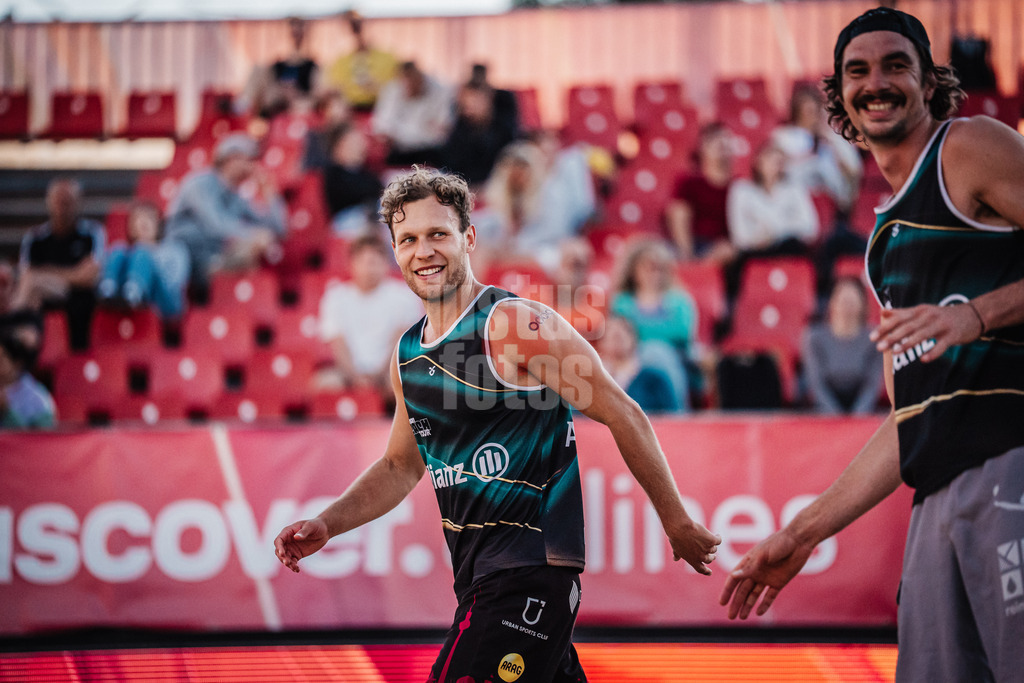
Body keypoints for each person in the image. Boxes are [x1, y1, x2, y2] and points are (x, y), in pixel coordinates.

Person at [276, 167, 720, 683]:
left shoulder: (513, 325)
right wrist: (329, 523)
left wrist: (676, 521)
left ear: (468, 238)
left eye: (438, 234)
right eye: (409, 239)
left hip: (528, 576)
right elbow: (400, 465)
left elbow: (623, 412)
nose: (424, 251)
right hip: (479, 580)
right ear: (395, 251)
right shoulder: (407, 355)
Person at [719, 9, 1024, 682]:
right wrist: (801, 533)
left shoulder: (969, 146)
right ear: (840, 97)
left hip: (1011, 466)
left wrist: (976, 316)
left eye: (895, 66)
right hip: (937, 499)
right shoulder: (883, 245)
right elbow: (904, 425)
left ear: (928, 83)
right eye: (857, 71)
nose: (876, 83)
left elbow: (969, 322)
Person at [164, 133, 286, 291]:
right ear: (231, 158)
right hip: (183, 259)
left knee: (254, 247)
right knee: (252, 243)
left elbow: (279, 230)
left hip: (214, 259)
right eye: (249, 160)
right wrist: (255, 235)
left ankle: (235, 305)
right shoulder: (199, 183)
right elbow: (215, 224)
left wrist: (269, 193)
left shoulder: (237, 196)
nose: (254, 167)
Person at [315, 233, 422, 402]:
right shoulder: (335, 297)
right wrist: (355, 376)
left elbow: (400, 343)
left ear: (386, 263)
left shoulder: (404, 296)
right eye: (363, 262)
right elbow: (338, 343)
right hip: (347, 372)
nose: (369, 268)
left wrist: (380, 374)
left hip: (389, 371)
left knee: (405, 383)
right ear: (352, 264)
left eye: (374, 262)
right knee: (325, 383)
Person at [11, 178, 105, 351]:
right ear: (49, 202)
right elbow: (26, 276)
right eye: (59, 201)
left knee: (32, 285)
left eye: (68, 201)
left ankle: (9, 330)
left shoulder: (92, 233)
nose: (63, 207)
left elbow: (90, 277)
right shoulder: (35, 238)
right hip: (43, 301)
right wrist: (73, 273)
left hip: (80, 303)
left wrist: (45, 272)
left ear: (79, 203)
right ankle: (18, 344)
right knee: (32, 294)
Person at [610, 238, 699, 409]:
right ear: (634, 271)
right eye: (649, 267)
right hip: (630, 361)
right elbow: (620, 335)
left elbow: (682, 332)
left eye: (660, 268)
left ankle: (675, 412)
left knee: (656, 352)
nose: (654, 274)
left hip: (675, 358)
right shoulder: (622, 302)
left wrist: (640, 330)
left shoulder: (679, 300)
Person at [801, 275, 882, 414]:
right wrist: (835, 418)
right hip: (823, 412)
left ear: (863, 305)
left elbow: (872, 386)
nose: (846, 304)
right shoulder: (814, 337)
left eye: (852, 300)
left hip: (863, 413)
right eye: (842, 299)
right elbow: (816, 384)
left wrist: (857, 418)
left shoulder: (875, 338)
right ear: (831, 303)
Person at [725, 140, 820, 256]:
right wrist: (786, 225)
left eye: (779, 161)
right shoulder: (741, 190)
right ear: (758, 161)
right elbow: (740, 235)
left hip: (789, 249)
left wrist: (772, 233)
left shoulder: (795, 189)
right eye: (770, 159)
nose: (775, 165)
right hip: (754, 253)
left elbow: (809, 228)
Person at [97, 202, 190, 320]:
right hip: (124, 298)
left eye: (149, 218)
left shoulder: (174, 249)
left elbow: (174, 283)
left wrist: (147, 265)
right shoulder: (124, 251)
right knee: (118, 249)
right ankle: (107, 291)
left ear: (158, 225)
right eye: (138, 219)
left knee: (142, 252)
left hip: (165, 302)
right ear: (130, 227)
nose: (143, 222)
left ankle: (134, 292)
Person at [665, 121, 739, 264]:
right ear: (703, 148)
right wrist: (686, 252)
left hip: (728, 246)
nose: (721, 146)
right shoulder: (689, 182)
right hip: (695, 244)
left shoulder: (739, 185)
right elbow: (678, 216)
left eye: (725, 141)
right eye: (715, 141)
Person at [371, 61, 454, 168]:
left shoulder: (439, 92)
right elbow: (381, 124)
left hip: (429, 151)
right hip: (399, 150)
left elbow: (442, 129)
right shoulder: (392, 90)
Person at [236, 16, 321, 120]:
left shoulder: (312, 66)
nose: (296, 31)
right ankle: (242, 105)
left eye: (300, 26)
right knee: (258, 68)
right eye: (293, 26)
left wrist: (295, 95)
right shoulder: (277, 65)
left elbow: (317, 96)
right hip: (276, 102)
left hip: (300, 104)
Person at [597, 315, 681, 415]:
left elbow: (674, 418)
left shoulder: (655, 378)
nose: (618, 335)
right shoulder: (593, 380)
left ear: (634, 338)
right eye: (611, 332)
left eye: (625, 330)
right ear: (601, 342)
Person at [325, 10, 400, 113]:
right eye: (352, 26)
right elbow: (335, 92)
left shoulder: (388, 58)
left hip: (380, 111)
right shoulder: (340, 62)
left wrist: (377, 88)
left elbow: (397, 90)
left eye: (358, 24)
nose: (356, 30)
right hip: (351, 112)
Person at [321, 122, 384, 237]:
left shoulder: (367, 172)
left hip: (373, 218)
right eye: (353, 143)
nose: (359, 147)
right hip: (347, 224)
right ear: (338, 147)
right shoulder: (332, 175)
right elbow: (348, 196)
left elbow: (379, 191)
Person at [0, 323, 55, 429]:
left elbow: (36, 441)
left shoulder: (38, 400)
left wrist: (5, 411)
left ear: (17, 363)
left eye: (1, 360)